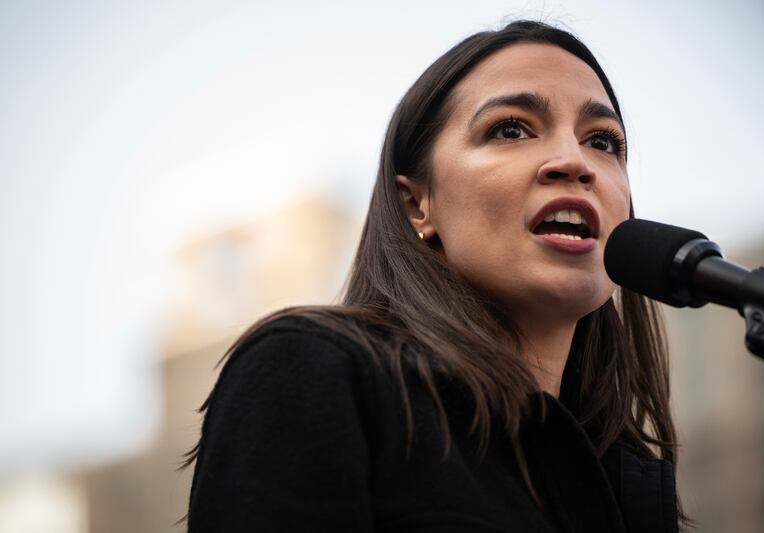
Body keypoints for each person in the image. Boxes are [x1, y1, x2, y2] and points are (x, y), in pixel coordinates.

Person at [185, 20, 684, 533]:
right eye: (510, 129)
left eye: (602, 141)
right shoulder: (313, 371)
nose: (573, 162)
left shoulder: (628, 489)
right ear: (417, 204)